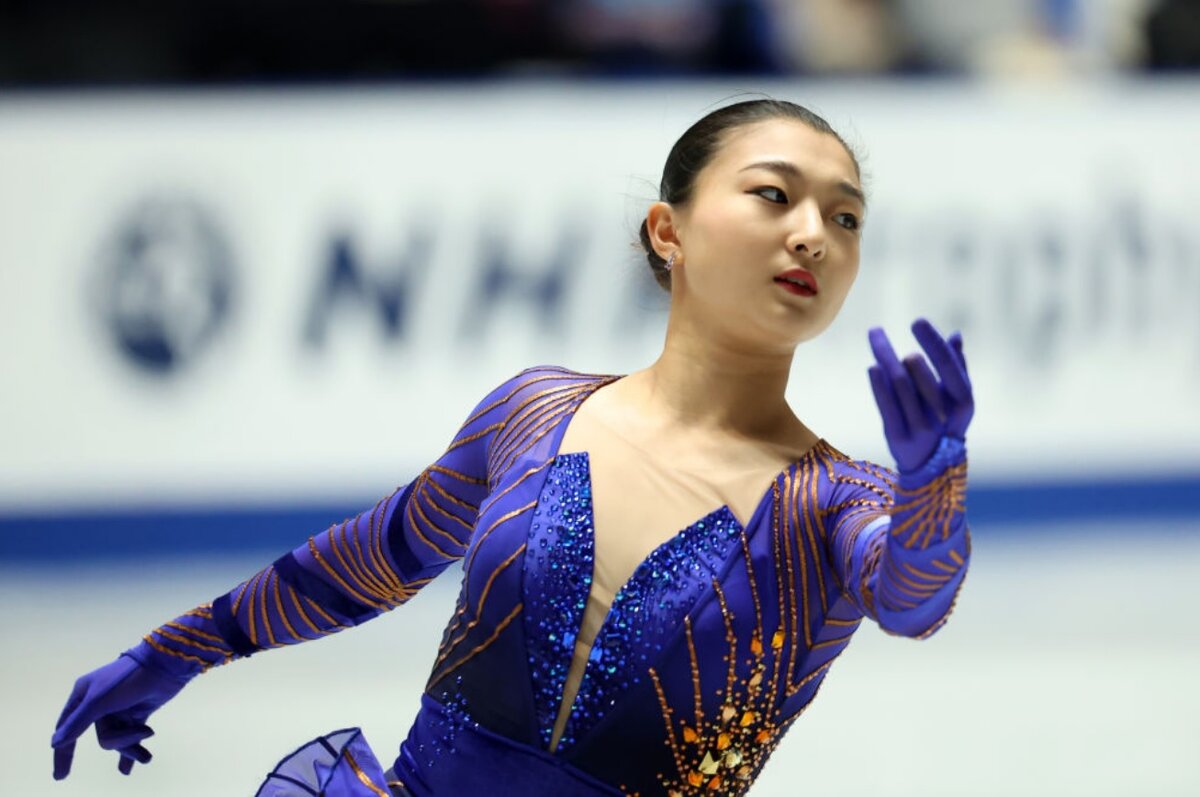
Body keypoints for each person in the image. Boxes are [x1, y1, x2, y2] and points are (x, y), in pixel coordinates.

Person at [50, 99, 974, 797]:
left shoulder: (836, 498)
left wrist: (934, 483)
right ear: (670, 231)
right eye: (775, 195)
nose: (814, 235)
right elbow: (377, 556)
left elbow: (912, 598)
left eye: (846, 218)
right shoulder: (536, 411)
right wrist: (179, 648)